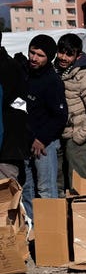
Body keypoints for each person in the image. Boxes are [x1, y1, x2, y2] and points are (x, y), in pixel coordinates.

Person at [23, 34, 68, 219]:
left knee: (46, 189)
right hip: (25, 141)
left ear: (48, 57)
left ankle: (52, 233)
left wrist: (42, 139)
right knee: (27, 188)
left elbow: (60, 116)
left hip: (44, 144)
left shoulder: (52, 81)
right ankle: (33, 232)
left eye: (40, 55)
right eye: (32, 53)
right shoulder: (25, 74)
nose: (34, 58)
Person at [54, 33, 86, 193]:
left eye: (69, 54)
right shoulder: (57, 71)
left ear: (77, 56)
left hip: (78, 138)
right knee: (60, 183)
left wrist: (78, 138)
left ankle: (84, 217)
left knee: (78, 186)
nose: (63, 57)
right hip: (60, 135)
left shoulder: (85, 76)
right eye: (61, 52)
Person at [0, 31, 29, 181]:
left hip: (7, 149)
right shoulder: (13, 67)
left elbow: (18, 107)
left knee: (6, 198)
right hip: (10, 145)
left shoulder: (9, 69)